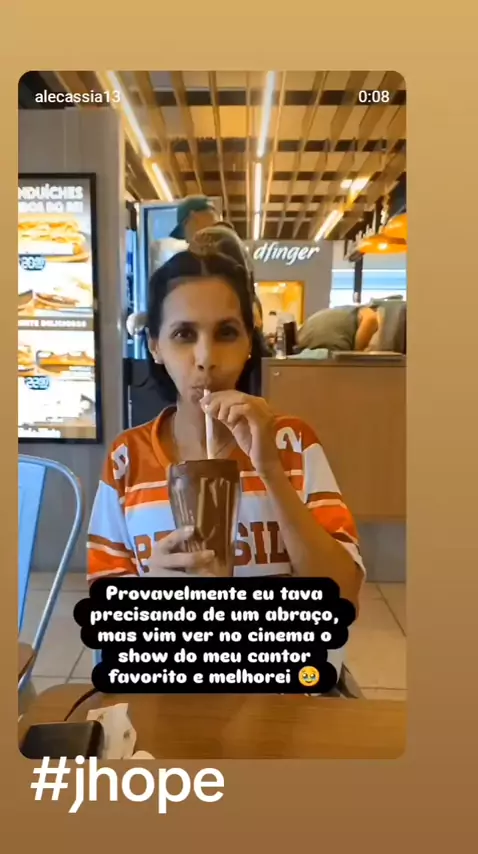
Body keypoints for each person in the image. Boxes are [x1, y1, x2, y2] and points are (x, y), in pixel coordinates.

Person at [88, 244, 365, 687]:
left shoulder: (293, 444)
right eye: (184, 334)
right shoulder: (128, 459)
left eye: (226, 333)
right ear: (155, 346)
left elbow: (343, 596)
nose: (205, 358)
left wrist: (270, 470)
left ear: (249, 343)